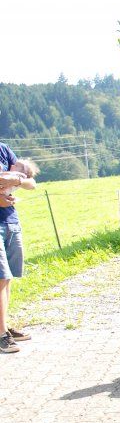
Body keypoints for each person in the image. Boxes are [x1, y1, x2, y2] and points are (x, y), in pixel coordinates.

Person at [0, 143, 37, 355]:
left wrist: (17, 179)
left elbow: (32, 183)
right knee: (1, 277)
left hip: (11, 221)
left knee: (8, 277)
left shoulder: (3, 149)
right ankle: (1, 333)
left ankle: (3, 325)